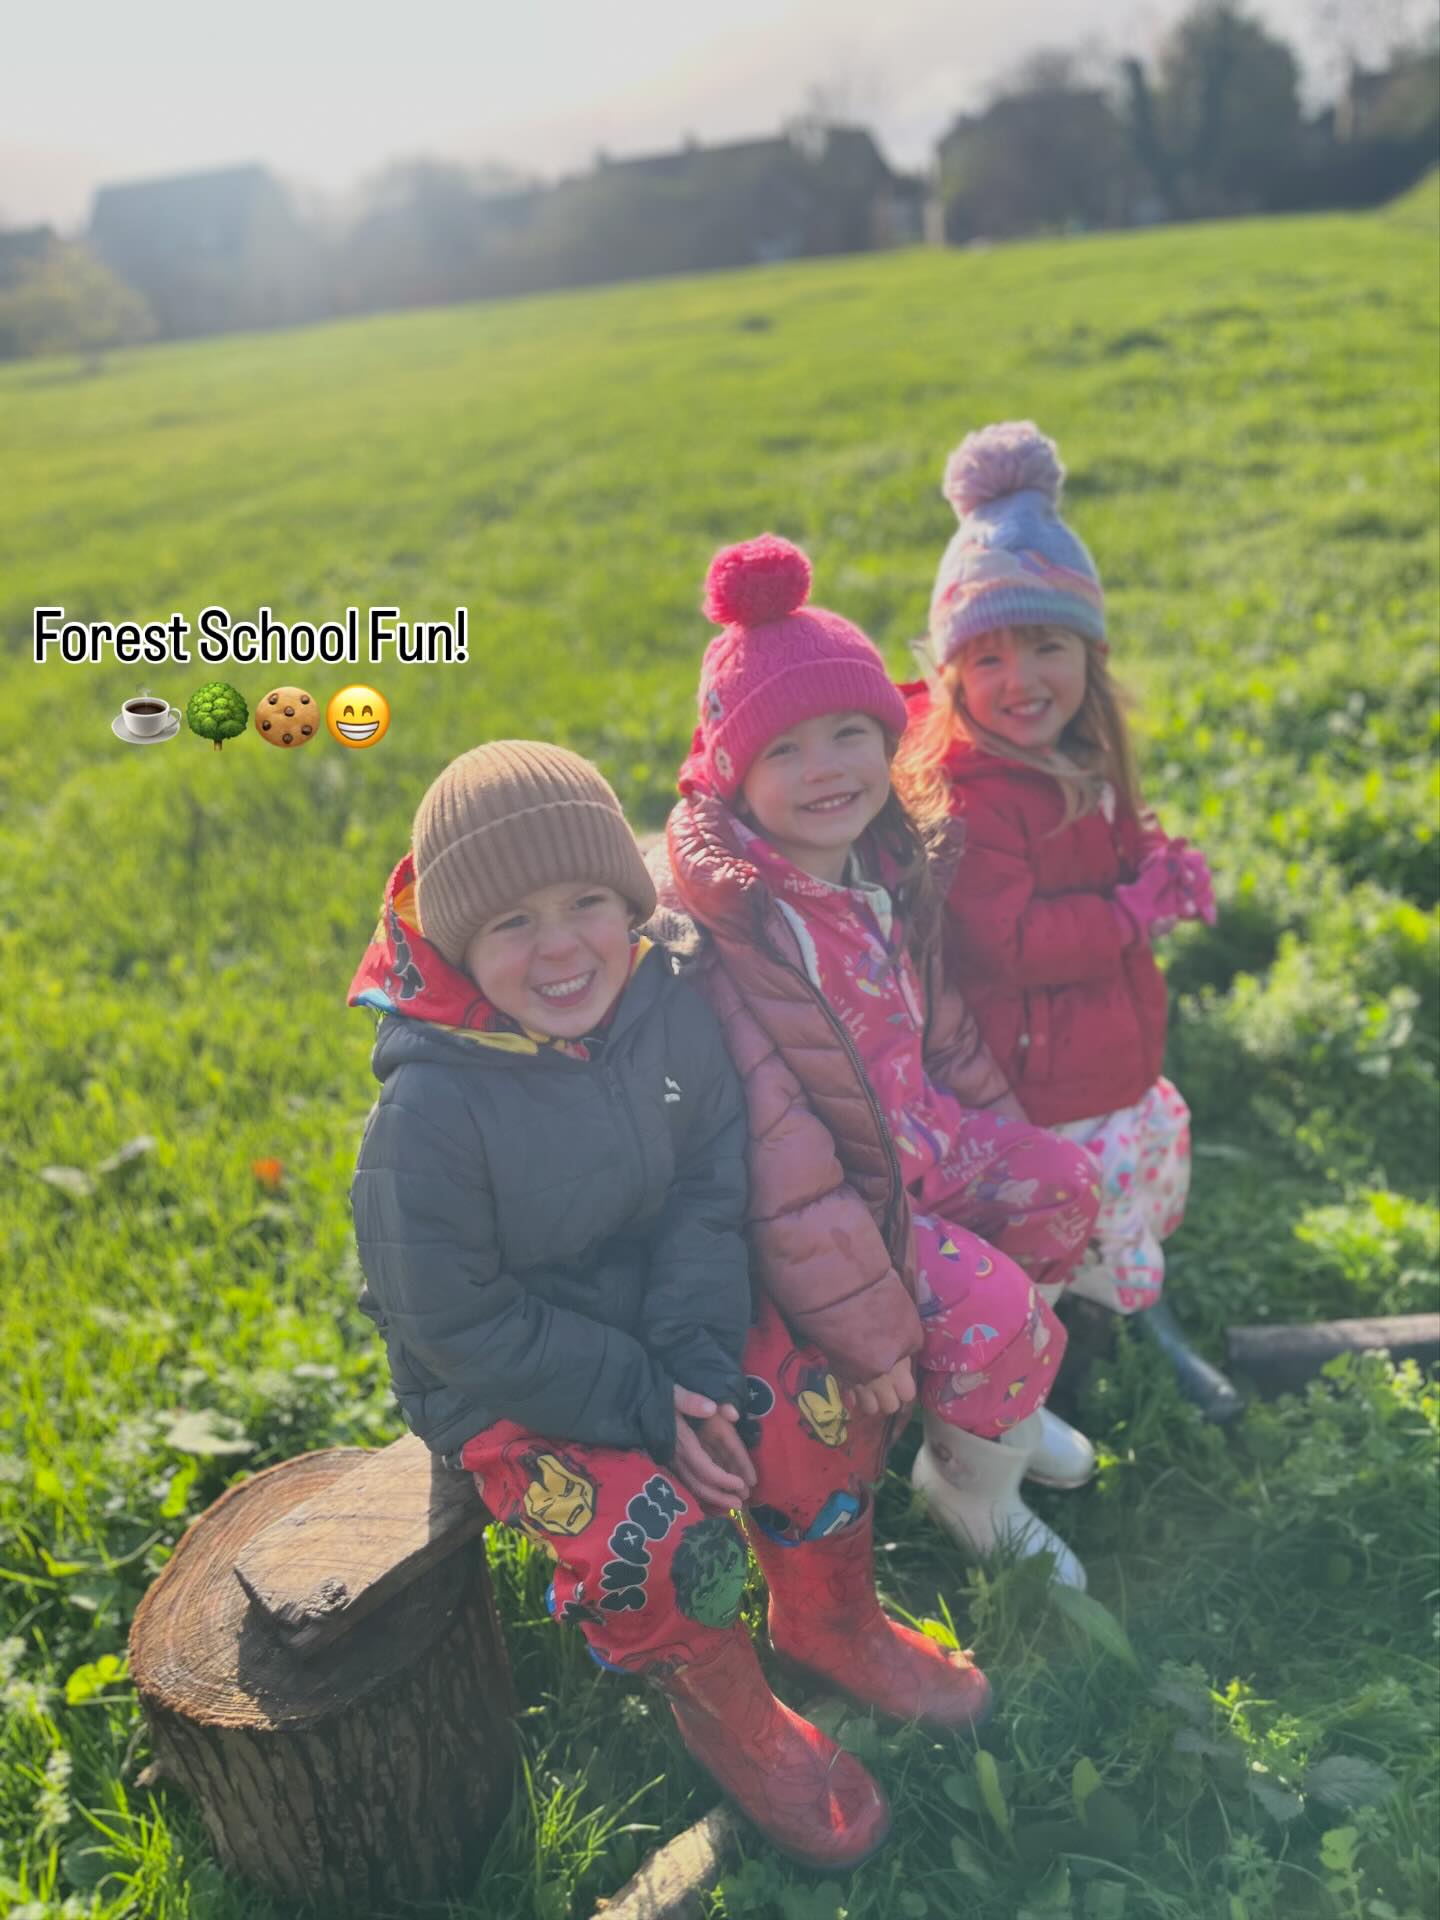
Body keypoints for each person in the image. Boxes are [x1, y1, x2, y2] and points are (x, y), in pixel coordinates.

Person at [347, 740, 985, 1873]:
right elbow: (457, 1320)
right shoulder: (429, 1109)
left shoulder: (665, 997)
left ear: (628, 901)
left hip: (669, 1325)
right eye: (510, 925)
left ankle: (828, 1618)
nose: (558, 948)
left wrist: (692, 1356)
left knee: (815, 1407)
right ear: (453, 944)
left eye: (585, 902)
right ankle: (731, 1716)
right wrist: (652, 1398)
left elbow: (708, 1186)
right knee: (661, 1541)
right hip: (522, 1387)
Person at [658, 536, 1103, 1591]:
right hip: (856, 1206)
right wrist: (860, 1331)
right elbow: (782, 1162)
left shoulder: (882, 864)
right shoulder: (744, 932)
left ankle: (992, 1411)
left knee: (1064, 1190)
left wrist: (1011, 1134)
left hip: (929, 1144)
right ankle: (969, 1489)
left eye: (850, 734)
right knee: (993, 1313)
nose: (828, 771)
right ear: (733, 773)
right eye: (787, 752)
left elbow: (941, 1034)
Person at [893, 420, 1239, 1420]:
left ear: (1088, 652)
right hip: (1040, 1075)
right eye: (989, 656)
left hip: (1105, 1055)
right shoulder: (972, 794)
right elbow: (1005, 946)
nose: (1021, 679)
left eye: (1046, 644)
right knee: (1076, 1207)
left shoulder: (1081, 757)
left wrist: (1159, 867)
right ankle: (1061, 1354)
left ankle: (1126, 1317)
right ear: (955, 671)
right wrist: (1129, 917)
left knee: (1126, 1195)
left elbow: (1109, 866)